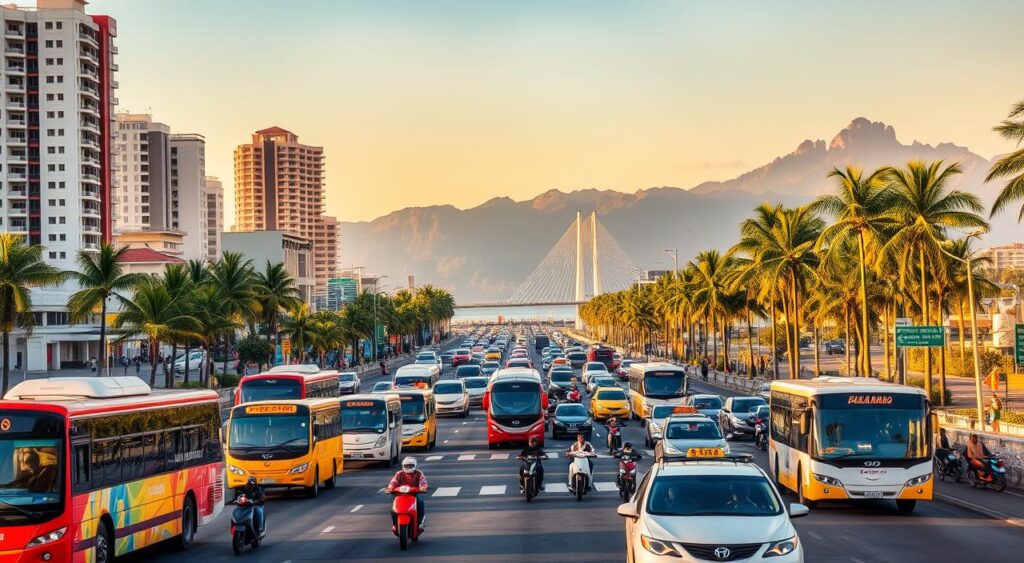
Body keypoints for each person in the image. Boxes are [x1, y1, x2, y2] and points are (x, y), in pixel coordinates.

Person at [386, 457, 428, 531]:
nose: (408, 467)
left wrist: (423, 487)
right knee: (392, 508)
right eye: (406, 466)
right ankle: (395, 524)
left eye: (410, 466)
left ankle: (420, 523)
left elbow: (423, 481)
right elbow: (393, 481)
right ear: (403, 466)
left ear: (415, 466)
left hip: (414, 494)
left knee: (420, 502)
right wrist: (390, 487)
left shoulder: (418, 473)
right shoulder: (399, 473)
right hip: (399, 494)